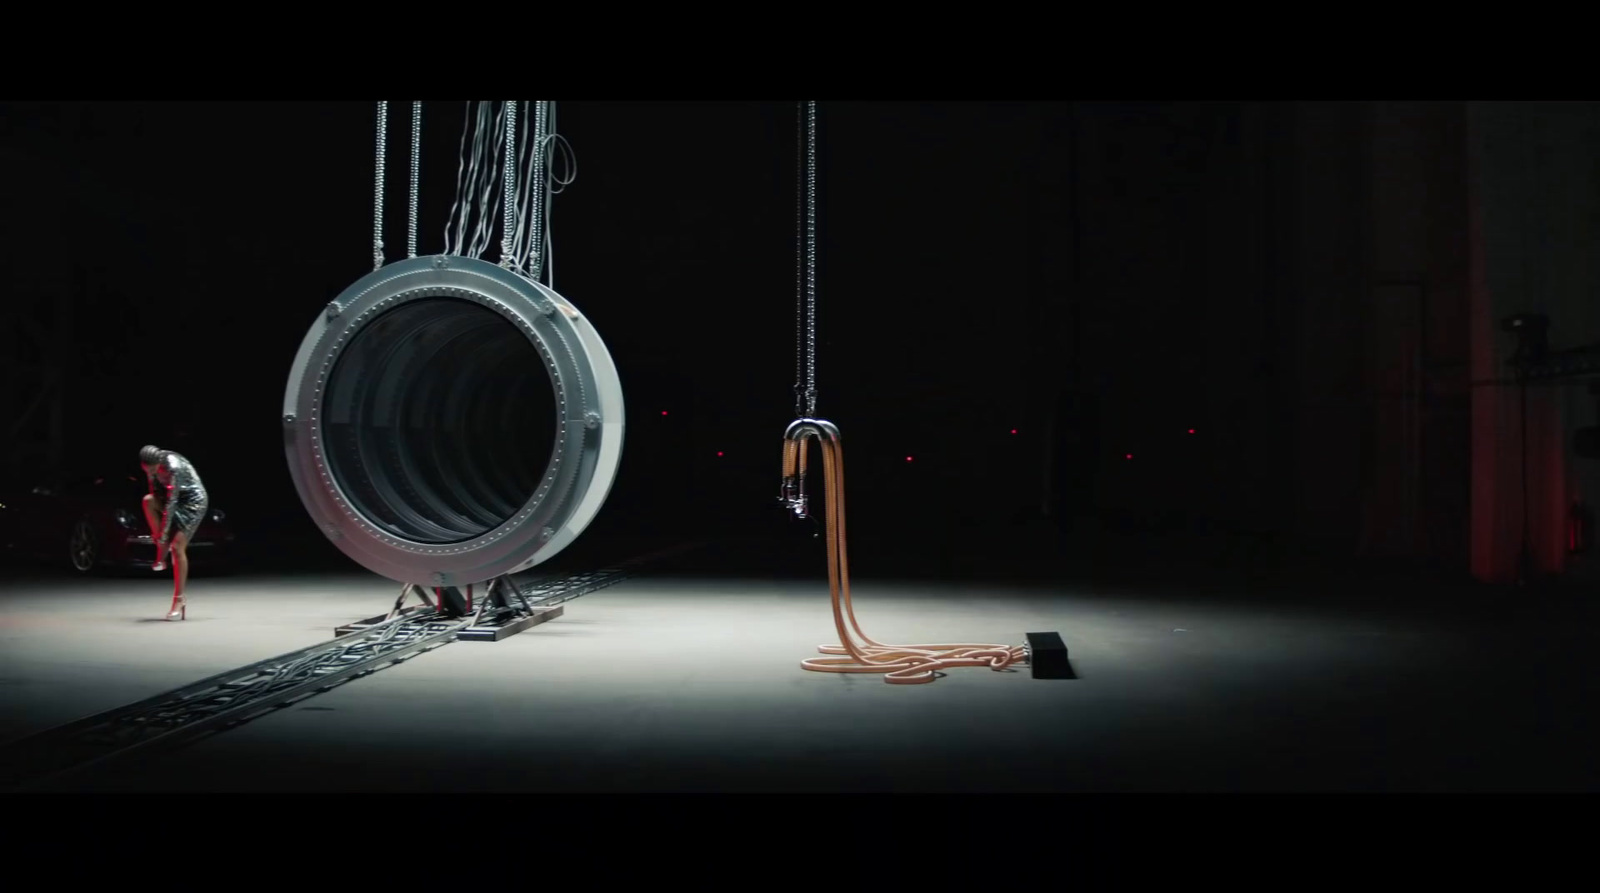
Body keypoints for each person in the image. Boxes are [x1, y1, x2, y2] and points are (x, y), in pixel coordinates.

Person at [139, 445, 209, 621]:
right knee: (148, 501)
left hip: (192, 502)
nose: (152, 472)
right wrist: (161, 537)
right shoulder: (149, 468)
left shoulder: (173, 466)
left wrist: (165, 533)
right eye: (148, 470)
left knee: (177, 547)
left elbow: (171, 504)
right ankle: (161, 549)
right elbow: (154, 492)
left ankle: (179, 600)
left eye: (154, 469)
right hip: (172, 499)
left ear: (158, 462)